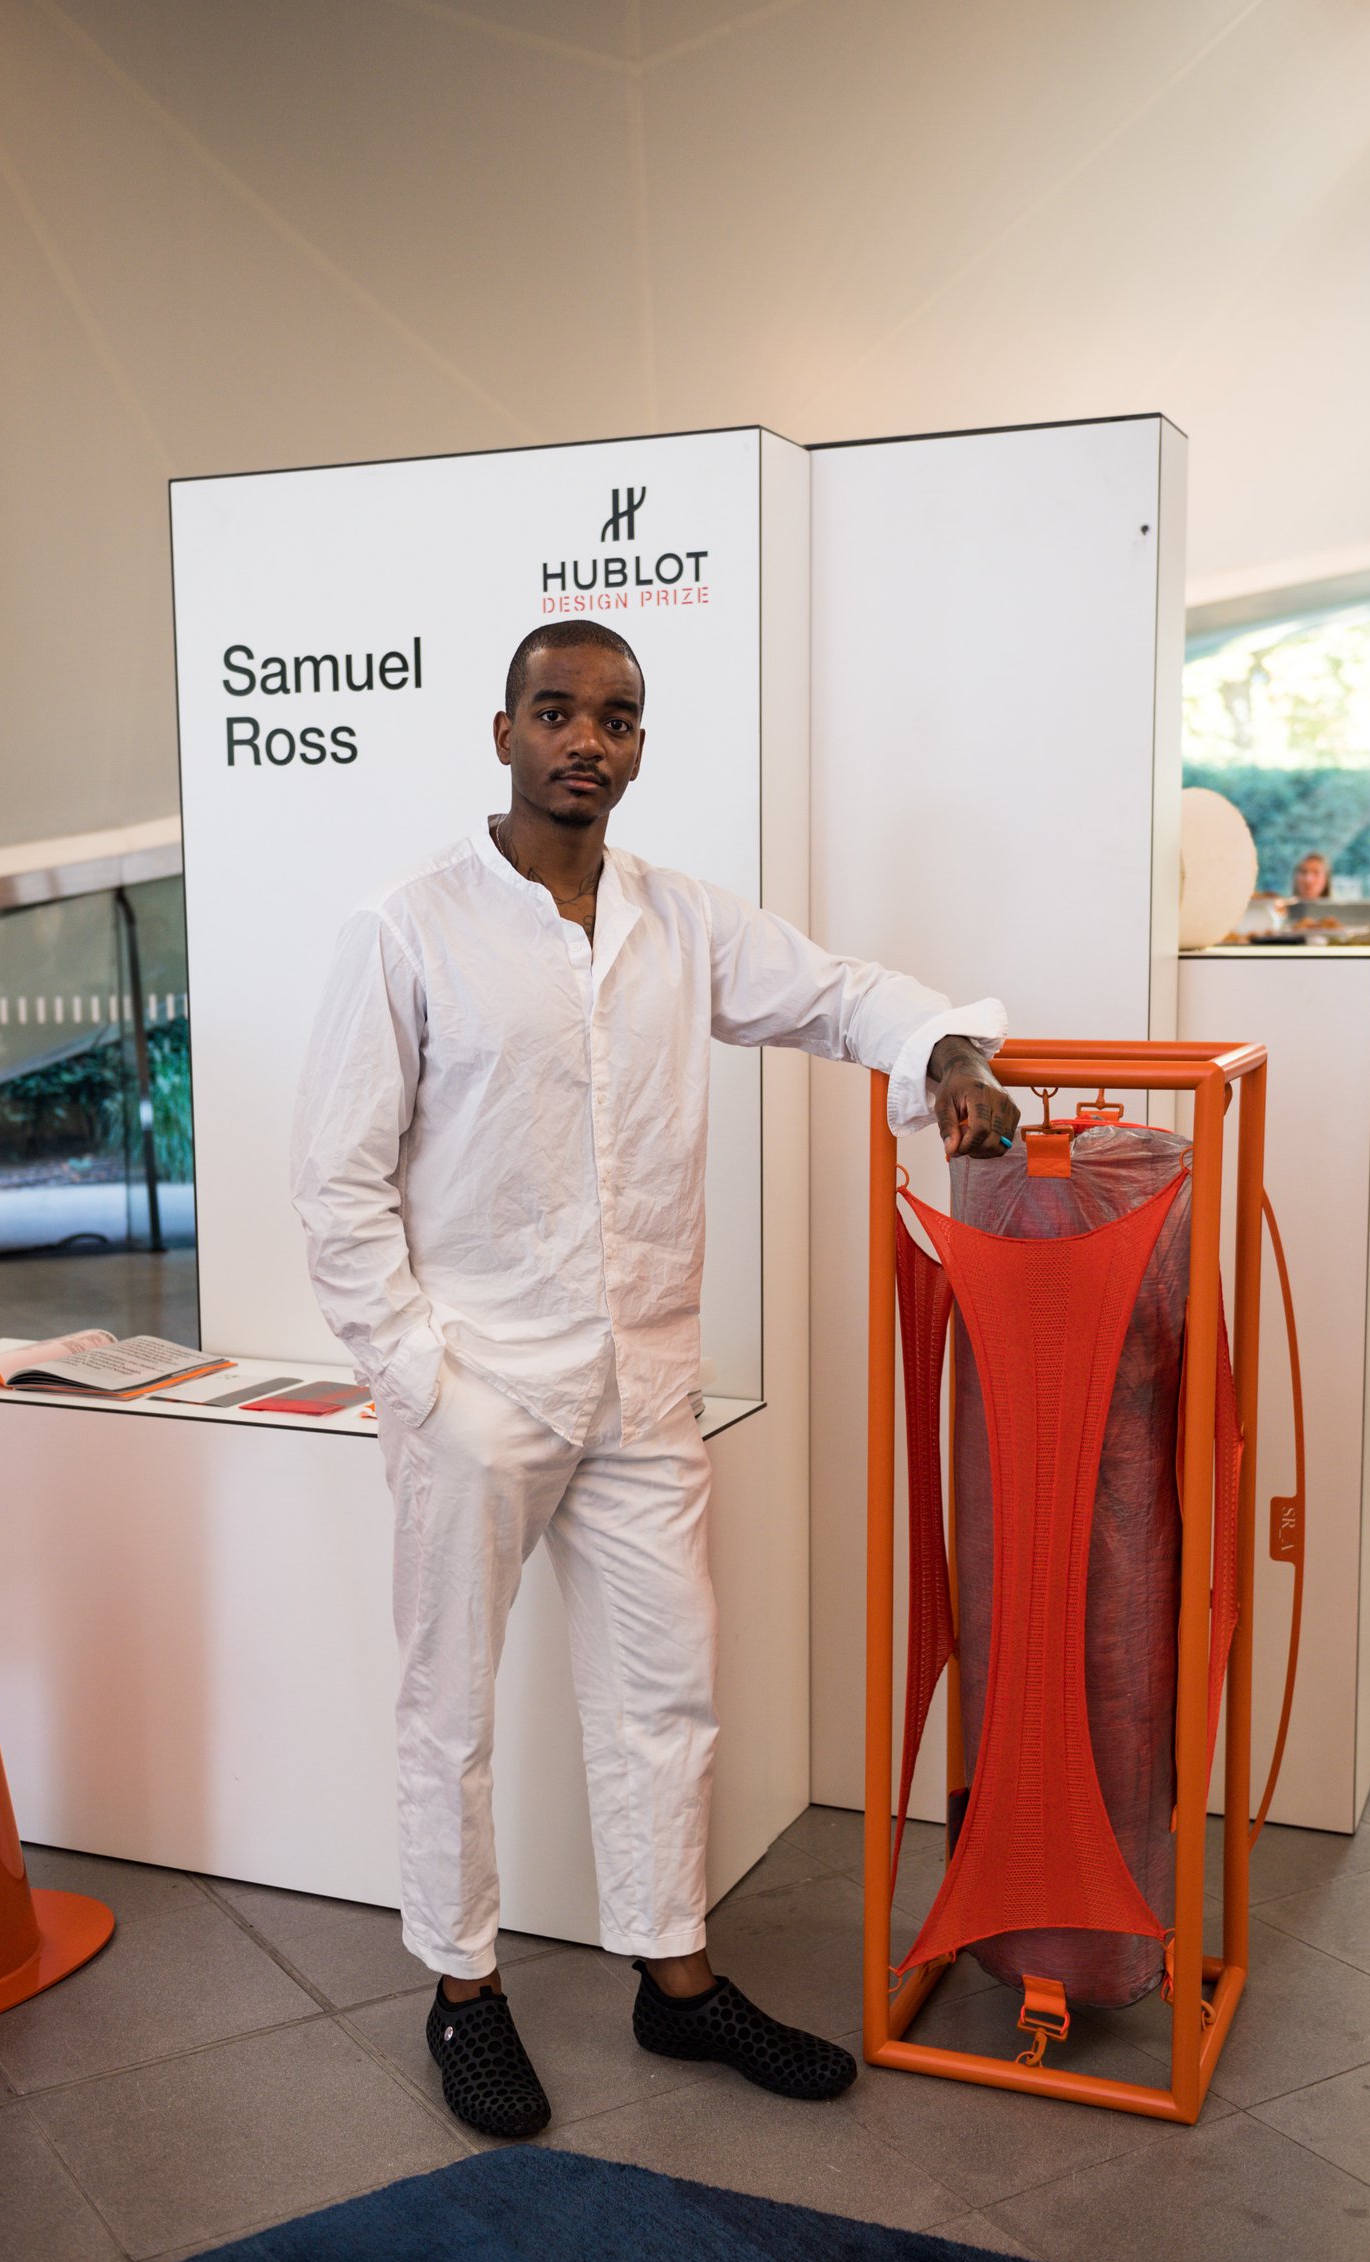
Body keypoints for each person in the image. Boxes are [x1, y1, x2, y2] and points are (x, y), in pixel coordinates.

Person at [291, 622, 1017, 2140]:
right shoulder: (406, 927)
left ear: (638, 745)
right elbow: (338, 1186)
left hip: (644, 1382)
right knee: (451, 1703)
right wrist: (426, 1383)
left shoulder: (678, 920)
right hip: (482, 1385)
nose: (587, 740)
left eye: (615, 718)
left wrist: (948, 1054)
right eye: (556, 711)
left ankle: (674, 1979)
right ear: (502, 731)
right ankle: (464, 1993)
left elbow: (841, 995)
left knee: (665, 1691)